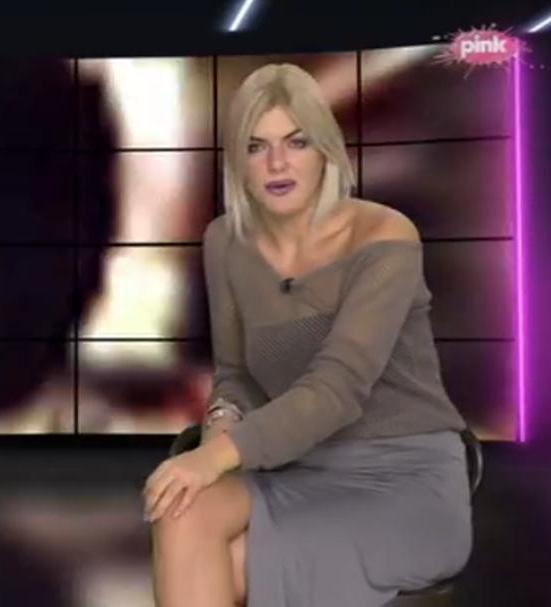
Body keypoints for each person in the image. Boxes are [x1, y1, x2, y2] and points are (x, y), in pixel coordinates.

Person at [142, 63, 472, 607]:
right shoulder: (226, 240)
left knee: (231, 561)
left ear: (326, 149)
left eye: (296, 142)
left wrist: (214, 458)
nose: (277, 163)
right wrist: (220, 431)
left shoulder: (385, 234)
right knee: (183, 507)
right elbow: (235, 377)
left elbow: (337, 388)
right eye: (256, 146)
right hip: (292, 470)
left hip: (397, 479)